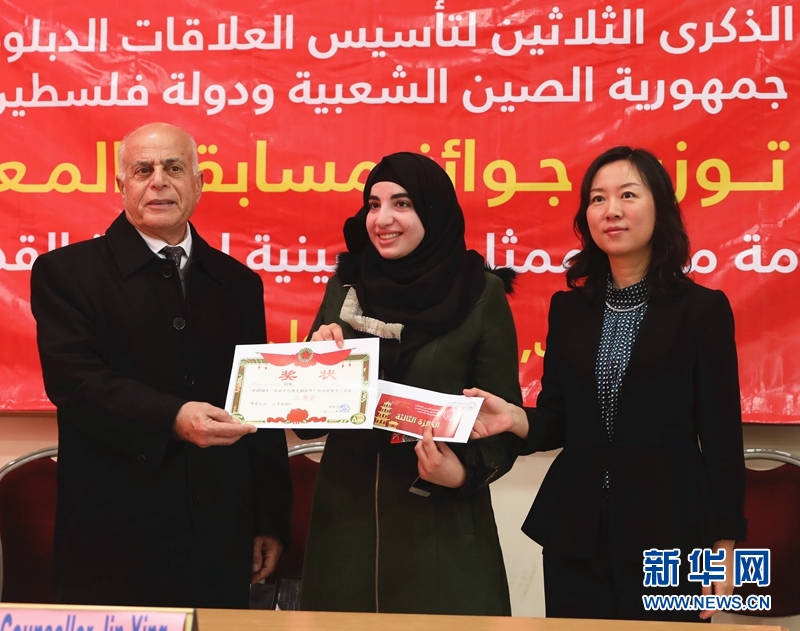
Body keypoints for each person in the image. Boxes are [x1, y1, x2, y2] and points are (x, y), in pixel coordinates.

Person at [467, 146, 746, 622]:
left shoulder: (702, 310)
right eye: (597, 199)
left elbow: (721, 436)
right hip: (576, 530)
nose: (611, 210)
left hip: (668, 532)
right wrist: (514, 418)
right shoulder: (569, 310)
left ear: (660, 208)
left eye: (627, 195)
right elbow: (559, 421)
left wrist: (724, 544)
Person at [30, 122, 292, 608]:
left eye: (174, 168)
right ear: (121, 186)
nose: (159, 182)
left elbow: (257, 403)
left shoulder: (238, 283)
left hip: (218, 530)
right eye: (142, 170)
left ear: (198, 183)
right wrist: (172, 417)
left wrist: (269, 519)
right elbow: (74, 381)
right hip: (113, 530)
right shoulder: (66, 272)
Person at [298, 152, 523, 615]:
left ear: (433, 211)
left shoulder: (480, 294)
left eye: (401, 204)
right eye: (373, 204)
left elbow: (501, 421)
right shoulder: (346, 288)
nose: (382, 219)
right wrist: (316, 363)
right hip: (346, 531)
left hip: (439, 532)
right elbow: (307, 418)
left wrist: (460, 472)